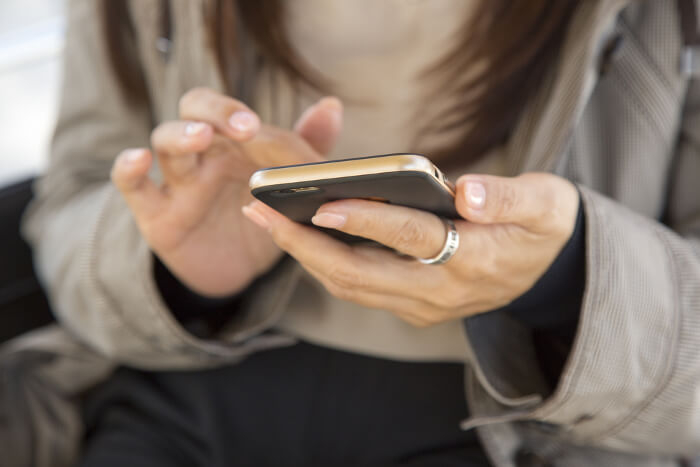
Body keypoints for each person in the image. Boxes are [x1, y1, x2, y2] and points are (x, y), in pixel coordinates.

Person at [8, 0, 700, 465]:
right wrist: (168, 268)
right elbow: (69, 202)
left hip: (529, 434)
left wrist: (569, 279)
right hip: (184, 389)